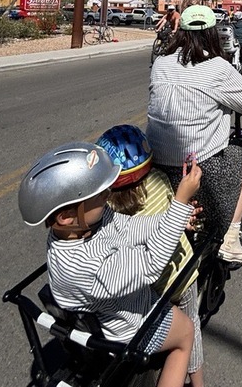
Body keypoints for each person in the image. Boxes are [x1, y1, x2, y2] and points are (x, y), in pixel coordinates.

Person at [18, 142, 202, 387]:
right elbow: (152, 263)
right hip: (127, 328)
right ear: (65, 217)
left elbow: (129, 227)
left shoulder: (82, 225)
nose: (108, 193)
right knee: (187, 332)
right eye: (99, 192)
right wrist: (179, 201)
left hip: (115, 305)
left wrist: (174, 219)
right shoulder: (86, 266)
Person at [147, 5, 242, 264]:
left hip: (155, 165)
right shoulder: (218, 68)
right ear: (213, 33)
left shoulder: (161, 63)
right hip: (197, 168)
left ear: (181, 31)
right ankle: (231, 237)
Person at [95, 125, 205, 387]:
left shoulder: (105, 206)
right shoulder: (160, 181)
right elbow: (172, 216)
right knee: (192, 328)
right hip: (178, 277)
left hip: (142, 286)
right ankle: (199, 383)